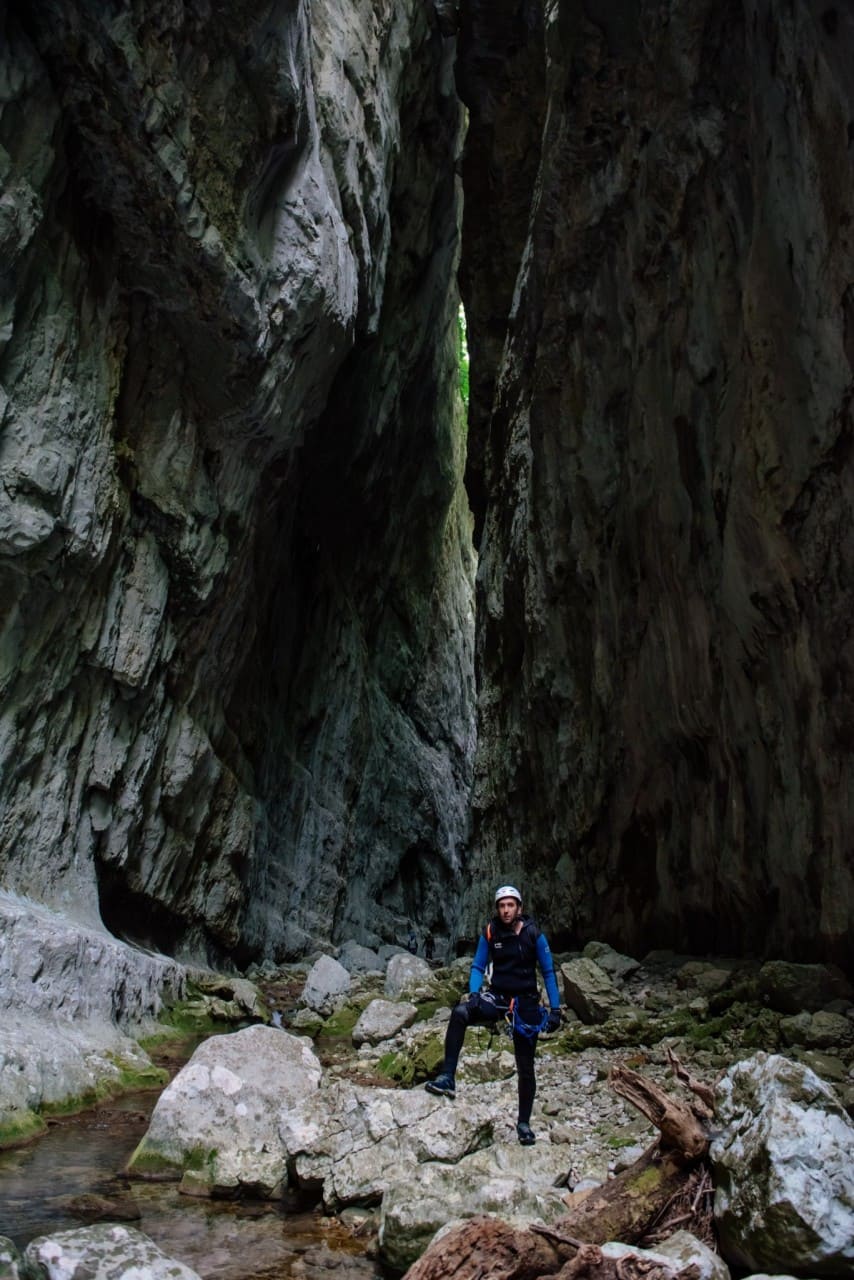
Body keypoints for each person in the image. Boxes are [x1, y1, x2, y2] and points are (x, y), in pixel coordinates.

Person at [425, 884, 562, 1145]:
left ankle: (523, 1124)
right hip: (498, 997)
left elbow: (548, 973)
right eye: (502, 905)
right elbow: (477, 966)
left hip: (525, 1004)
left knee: (526, 1067)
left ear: (519, 908)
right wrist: (474, 993)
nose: (506, 910)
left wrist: (555, 1009)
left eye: (511, 905)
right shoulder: (490, 932)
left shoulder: (534, 935)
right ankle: (447, 1077)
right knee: (460, 1013)